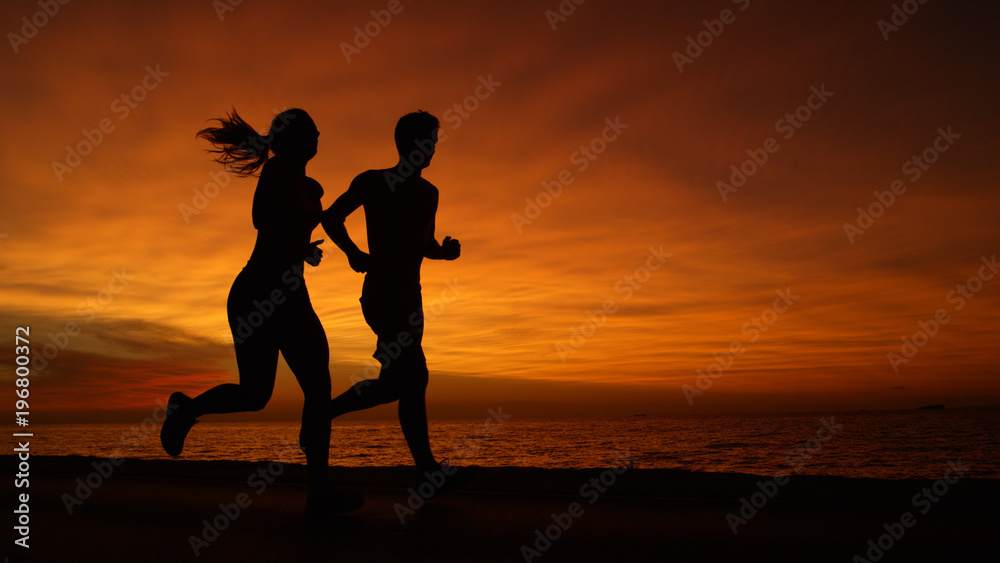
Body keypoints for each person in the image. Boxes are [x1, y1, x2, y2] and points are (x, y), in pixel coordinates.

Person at [159, 108, 362, 517]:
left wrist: (302, 245)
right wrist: (301, 226)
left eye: (317, 130)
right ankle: (188, 410)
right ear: (294, 140)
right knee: (281, 392)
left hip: (285, 292)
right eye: (311, 131)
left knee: (288, 392)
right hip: (260, 292)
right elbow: (262, 221)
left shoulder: (305, 183)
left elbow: (281, 231)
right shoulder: (278, 173)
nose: (319, 135)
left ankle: (317, 492)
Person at [321, 111, 469, 492]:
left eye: (435, 140)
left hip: (411, 297)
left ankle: (321, 416)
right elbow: (332, 216)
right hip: (382, 294)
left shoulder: (428, 193)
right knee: (415, 376)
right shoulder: (374, 182)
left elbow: (424, 245)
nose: (433, 147)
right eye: (427, 140)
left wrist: (445, 253)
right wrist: (353, 253)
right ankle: (428, 471)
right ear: (406, 144)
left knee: (393, 386)